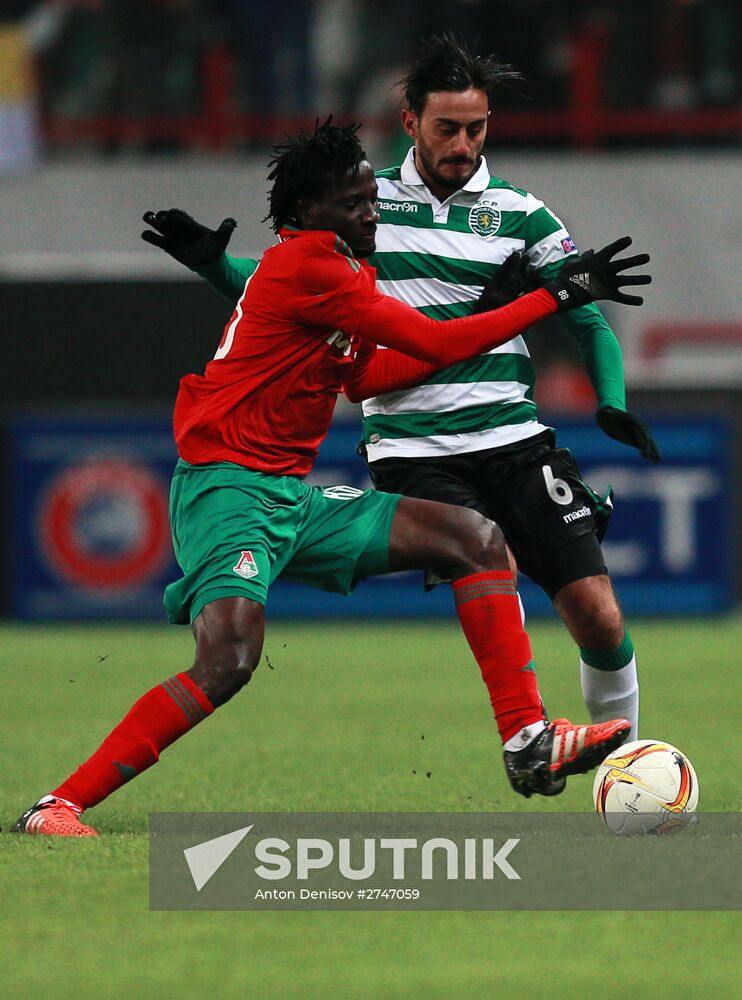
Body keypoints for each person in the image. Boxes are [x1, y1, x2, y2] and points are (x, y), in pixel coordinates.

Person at [12, 121, 651, 836]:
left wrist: (492, 316)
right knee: (228, 659)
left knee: (475, 537)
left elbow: (372, 375)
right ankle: (58, 805)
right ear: (306, 215)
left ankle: (525, 737)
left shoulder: (342, 271)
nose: (370, 213)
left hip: (288, 495)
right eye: (353, 204)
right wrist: (552, 297)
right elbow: (433, 342)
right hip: (227, 489)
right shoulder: (310, 266)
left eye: (372, 199)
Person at [160, 34, 658, 745]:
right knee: (487, 559)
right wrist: (215, 267)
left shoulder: (523, 214)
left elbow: (585, 316)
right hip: (413, 443)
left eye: (477, 128)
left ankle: (621, 770)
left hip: (512, 436)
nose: (463, 143)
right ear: (410, 123)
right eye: (447, 128)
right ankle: (531, 738)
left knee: (600, 617)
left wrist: (611, 399)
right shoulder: (361, 202)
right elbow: (282, 288)